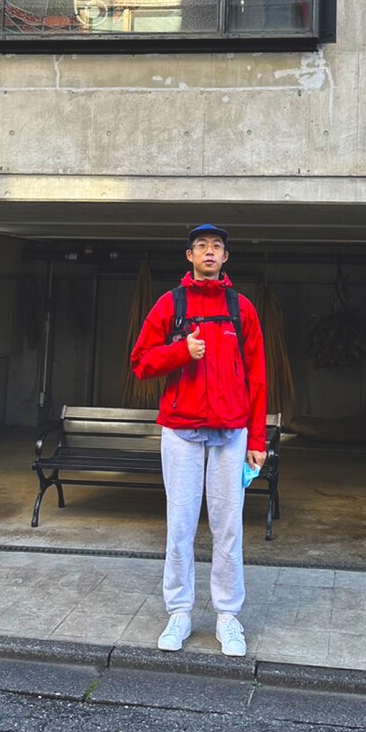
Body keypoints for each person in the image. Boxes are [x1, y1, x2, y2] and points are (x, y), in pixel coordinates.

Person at [130, 224, 267, 657]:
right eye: (202, 246)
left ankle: (228, 617)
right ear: (189, 256)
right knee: (181, 526)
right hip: (181, 431)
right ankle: (179, 612)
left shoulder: (241, 308)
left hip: (231, 432)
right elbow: (140, 362)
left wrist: (257, 438)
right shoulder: (170, 304)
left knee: (228, 528)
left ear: (225, 258)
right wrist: (180, 352)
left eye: (217, 247)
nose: (209, 252)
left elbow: (258, 377)